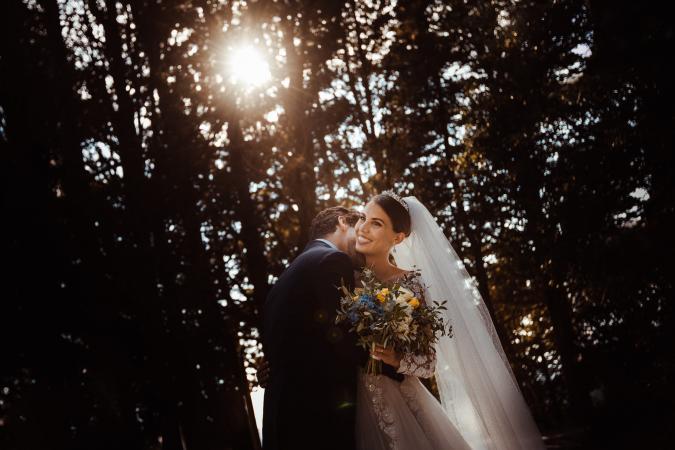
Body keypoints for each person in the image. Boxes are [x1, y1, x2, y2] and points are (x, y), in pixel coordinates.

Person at [353, 191, 546, 450]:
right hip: (350, 397)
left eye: (376, 223)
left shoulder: (411, 284)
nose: (363, 228)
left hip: (400, 402)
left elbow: (428, 363)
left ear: (398, 237)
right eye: (363, 218)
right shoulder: (344, 275)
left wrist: (397, 359)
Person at [262, 206, 386, 450]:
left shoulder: (286, 276)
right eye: (357, 228)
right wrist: (395, 366)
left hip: (283, 419)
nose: (361, 238)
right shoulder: (331, 260)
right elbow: (342, 341)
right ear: (342, 222)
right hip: (316, 420)